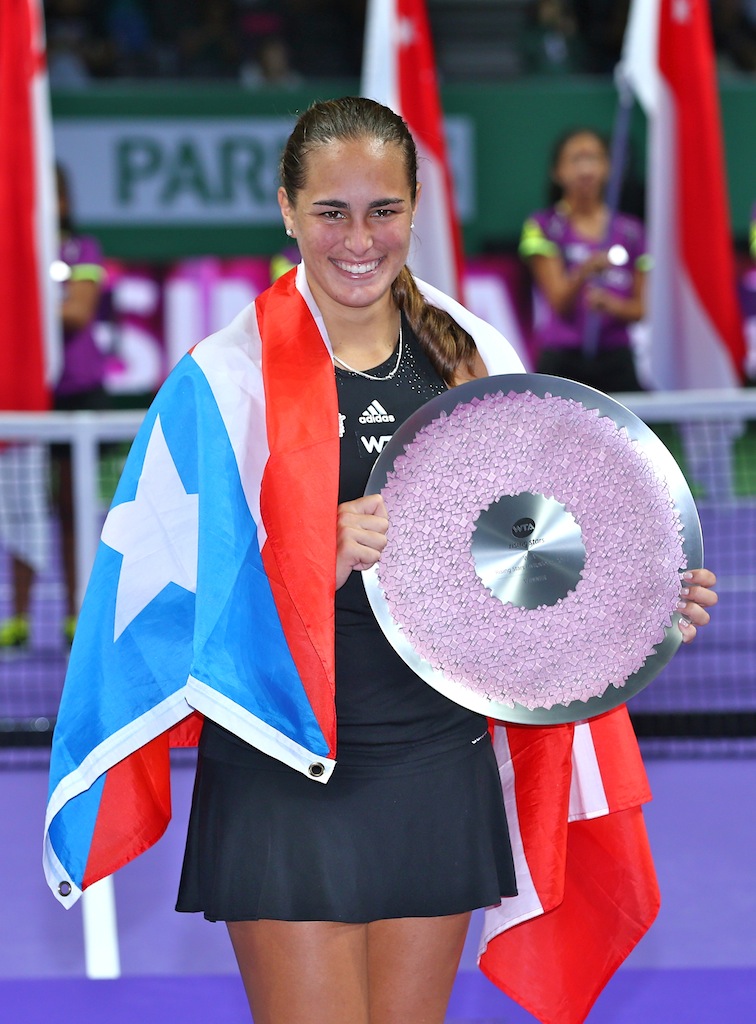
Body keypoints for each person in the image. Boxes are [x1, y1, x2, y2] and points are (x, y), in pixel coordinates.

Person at [43, 98, 718, 1024]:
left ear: (414, 208)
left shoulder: (475, 357)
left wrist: (642, 601)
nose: (358, 239)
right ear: (287, 210)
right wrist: (307, 560)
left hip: (437, 765)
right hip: (284, 765)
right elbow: (159, 605)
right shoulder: (221, 380)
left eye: (383, 210)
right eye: (331, 212)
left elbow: (537, 550)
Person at [0, 165, 107, 649]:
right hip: (27, 397)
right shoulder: (16, 249)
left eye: (54, 195)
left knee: (70, 507)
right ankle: (18, 616)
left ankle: (75, 614)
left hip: (74, 395)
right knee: (23, 505)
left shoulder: (82, 249)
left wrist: (22, 308)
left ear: (63, 201)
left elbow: (77, 311)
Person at [519, 127, 649, 393]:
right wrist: (585, 270)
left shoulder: (632, 231)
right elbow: (558, 301)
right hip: (562, 359)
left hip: (617, 359)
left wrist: (612, 305)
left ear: (608, 168)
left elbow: (641, 309)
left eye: (595, 158)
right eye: (576, 159)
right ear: (557, 172)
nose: (586, 169)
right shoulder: (542, 226)